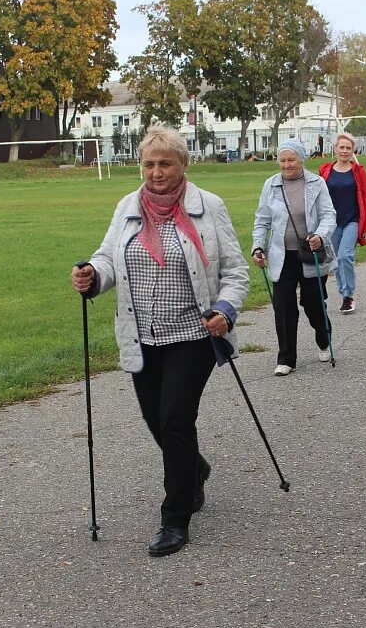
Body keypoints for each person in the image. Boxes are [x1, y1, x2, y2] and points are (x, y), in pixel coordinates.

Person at [71, 126, 248, 558]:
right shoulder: (128, 207)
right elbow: (108, 258)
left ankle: (175, 518)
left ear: (183, 165)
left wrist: (225, 310)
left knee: (174, 419)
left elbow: (236, 270)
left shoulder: (209, 207)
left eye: (165, 163)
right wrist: (92, 277)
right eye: (149, 164)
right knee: (156, 421)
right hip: (141, 335)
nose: (156, 172)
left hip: (193, 333)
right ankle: (195, 471)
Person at [252, 138, 336, 377]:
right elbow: (262, 220)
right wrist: (258, 247)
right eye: (282, 160)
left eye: (291, 160)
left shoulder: (316, 183)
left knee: (312, 304)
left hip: (310, 253)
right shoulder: (271, 185)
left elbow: (329, 215)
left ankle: (323, 336)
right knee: (283, 306)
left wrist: (320, 235)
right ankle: (286, 357)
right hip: (282, 255)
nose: (287, 165)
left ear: (301, 159)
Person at [317, 132, 366, 314]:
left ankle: (348, 296)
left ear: (353, 151)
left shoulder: (358, 172)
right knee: (334, 260)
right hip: (332, 223)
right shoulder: (325, 170)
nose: (344, 151)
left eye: (348, 148)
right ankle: (341, 293)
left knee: (345, 256)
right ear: (335, 149)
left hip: (352, 221)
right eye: (341, 147)